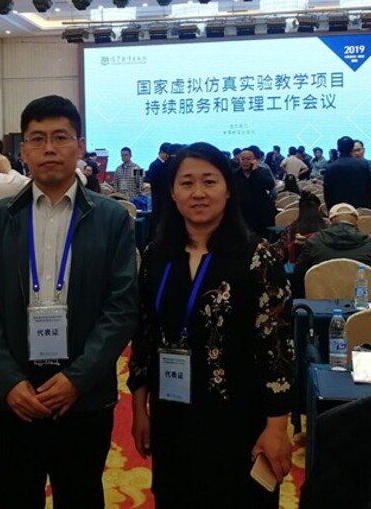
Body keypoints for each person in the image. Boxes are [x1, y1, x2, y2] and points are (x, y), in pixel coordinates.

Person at [0, 95, 138, 508]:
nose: (49, 148)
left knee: (80, 496)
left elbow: (121, 307)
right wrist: (7, 380)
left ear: (79, 146)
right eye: (37, 138)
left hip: (84, 396)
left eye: (60, 137)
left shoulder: (111, 218)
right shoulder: (0, 217)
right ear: (22, 150)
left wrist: (77, 378)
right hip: (13, 396)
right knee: (15, 498)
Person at [128, 142, 294, 507]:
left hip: (239, 418)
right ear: (172, 192)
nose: (198, 193)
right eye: (186, 183)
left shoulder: (258, 257)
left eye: (209, 181)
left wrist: (277, 425)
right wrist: (140, 409)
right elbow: (144, 335)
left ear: (228, 189)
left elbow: (278, 347)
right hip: (172, 413)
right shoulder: (157, 256)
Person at [294, 203, 371, 299]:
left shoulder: (313, 243)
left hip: (318, 303)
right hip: (363, 304)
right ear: (357, 221)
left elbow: (298, 276)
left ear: (330, 221)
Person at [323, 137, 371, 211]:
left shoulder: (330, 167)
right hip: (361, 209)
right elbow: (369, 189)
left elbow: (327, 193)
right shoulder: (363, 165)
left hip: (339, 210)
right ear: (352, 148)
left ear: (338, 149)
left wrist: (331, 210)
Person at [234, 147, 277, 239]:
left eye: (248, 159)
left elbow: (270, 185)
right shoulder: (234, 174)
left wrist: (255, 171)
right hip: (243, 215)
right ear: (239, 160)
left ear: (255, 160)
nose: (245, 161)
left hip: (261, 214)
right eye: (243, 159)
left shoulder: (262, 171)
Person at [277, 190, 329, 263]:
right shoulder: (328, 227)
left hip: (298, 266)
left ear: (300, 210)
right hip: (325, 265)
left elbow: (283, 253)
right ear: (318, 209)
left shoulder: (291, 229)